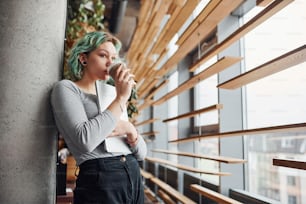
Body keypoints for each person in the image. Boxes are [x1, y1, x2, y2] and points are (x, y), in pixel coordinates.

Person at [51, 31, 147, 204]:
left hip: (133, 173)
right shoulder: (67, 89)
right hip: (101, 177)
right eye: (103, 55)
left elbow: (142, 154)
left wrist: (131, 131)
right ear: (83, 58)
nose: (111, 62)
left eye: (114, 57)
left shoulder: (112, 95)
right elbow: (84, 140)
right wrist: (121, 98)